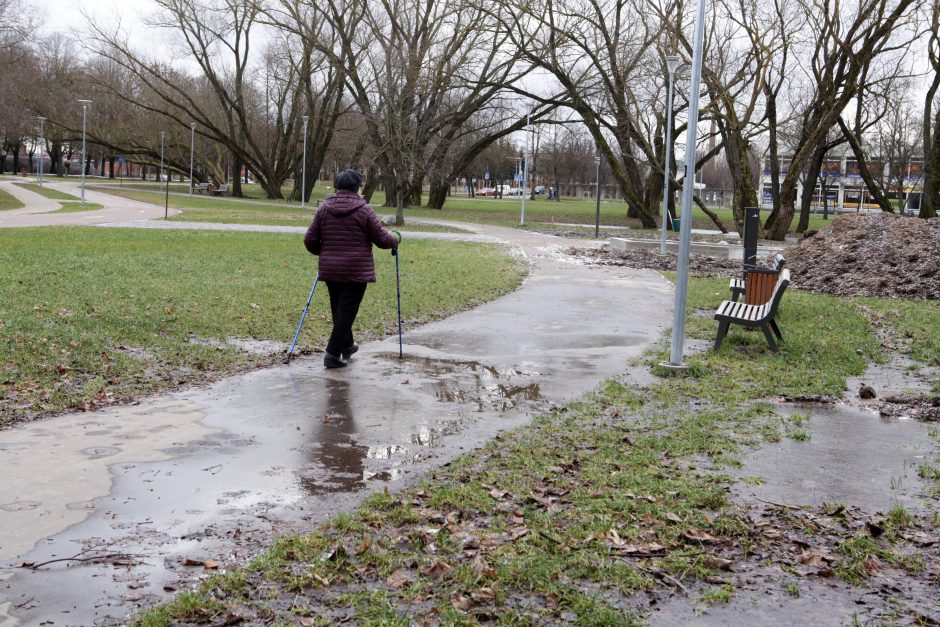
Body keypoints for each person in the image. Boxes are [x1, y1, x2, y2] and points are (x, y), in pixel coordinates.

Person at [303, 169, 399, 368]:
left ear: (337, 187)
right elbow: (382, 239)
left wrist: (325, 252)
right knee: (346, 312)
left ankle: (347, 346)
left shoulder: (324, 209)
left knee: (340, 309)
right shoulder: (364, 210)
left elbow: (309, 239)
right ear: (358, 188)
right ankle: (332, 353)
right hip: (356, 270)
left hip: (331, 269)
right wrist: (396, 239)